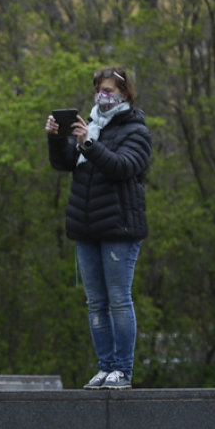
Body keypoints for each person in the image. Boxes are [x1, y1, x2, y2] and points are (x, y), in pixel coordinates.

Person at [45, 66, 152, 390]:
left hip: (120, 228)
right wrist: (56, 138)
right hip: (87, 227)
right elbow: (64, 163)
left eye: (109, 91)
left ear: (125, 94)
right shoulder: (90, 126)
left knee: (119, 299)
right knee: (96, 303)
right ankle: (105, 367)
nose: (102, 96)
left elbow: (123, 167)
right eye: (99, 90)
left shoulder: (136, 130)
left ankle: (122, 370)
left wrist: (89, 144)